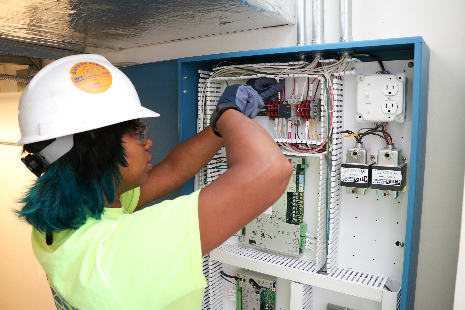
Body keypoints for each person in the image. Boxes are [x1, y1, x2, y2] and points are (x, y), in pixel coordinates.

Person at [15, 54, 292, 310]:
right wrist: (230, 113)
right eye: (137, 132)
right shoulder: (119, 257)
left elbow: (172, 171)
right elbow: (269, 171)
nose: (147, 141)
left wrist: (220, 125)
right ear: (98, 149)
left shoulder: (61, 221)